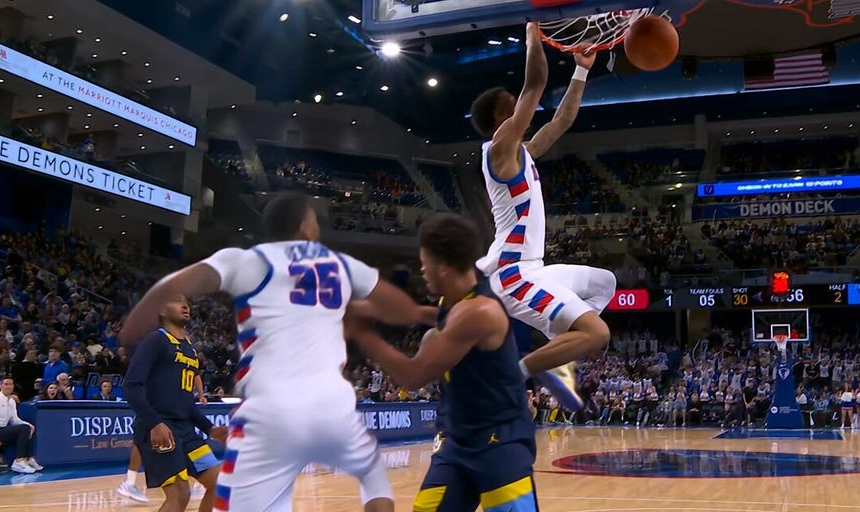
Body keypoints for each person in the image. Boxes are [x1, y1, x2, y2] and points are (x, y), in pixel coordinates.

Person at [119, 191, 435, 512]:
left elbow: (171, 287)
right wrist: (426, 313)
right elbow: (402, 309)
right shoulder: (339, 264)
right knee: (372, 477)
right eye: (314, 219)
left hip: (266, 410)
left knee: (226, 492)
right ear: (305, 227)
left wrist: (134, 326)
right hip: (330, 404)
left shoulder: (246, 261)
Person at [468, 22, 616, 410]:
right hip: (513, 274)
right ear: (504, 114)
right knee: (597, 333)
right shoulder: (498, 149)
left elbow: (562, 121)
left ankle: (559, 347)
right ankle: (515, 374)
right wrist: (533, 31)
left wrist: (582, 69)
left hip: (533, 267)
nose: (522, 106)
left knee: (605, 283)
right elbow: (534, 84)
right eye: (511, 103)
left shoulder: (523, 152)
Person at [347, 213, 537, 511]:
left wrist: (362, 332)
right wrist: (372, 308)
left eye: (425, 262)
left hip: (499, 443)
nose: (421, 269)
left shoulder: (478, 312)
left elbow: (414, 376)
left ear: (444, 268)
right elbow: (424, 314)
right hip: (457, 443)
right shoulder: (455, 298)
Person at [124, 295, 226, 512]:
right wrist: (155, 423)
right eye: (177, 301)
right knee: (180, 494)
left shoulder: (189, 348)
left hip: (186, 431)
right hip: (160, 429)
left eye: (187, 302)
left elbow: (185, 402)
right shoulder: (155, 340)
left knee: (219, 482)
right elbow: (131, 386)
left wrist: (210, 429)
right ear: (161, 311)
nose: (185, 306)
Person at [0, 377, 43, 474]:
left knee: (30, 427)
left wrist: (28, 424)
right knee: (24, 428)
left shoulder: (11, 401)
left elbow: (15, 420)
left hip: (3, 430)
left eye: (11, 384)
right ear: (0, 386)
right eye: (6, 384)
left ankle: (29, 458)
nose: (9, 386)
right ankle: (18, 461)